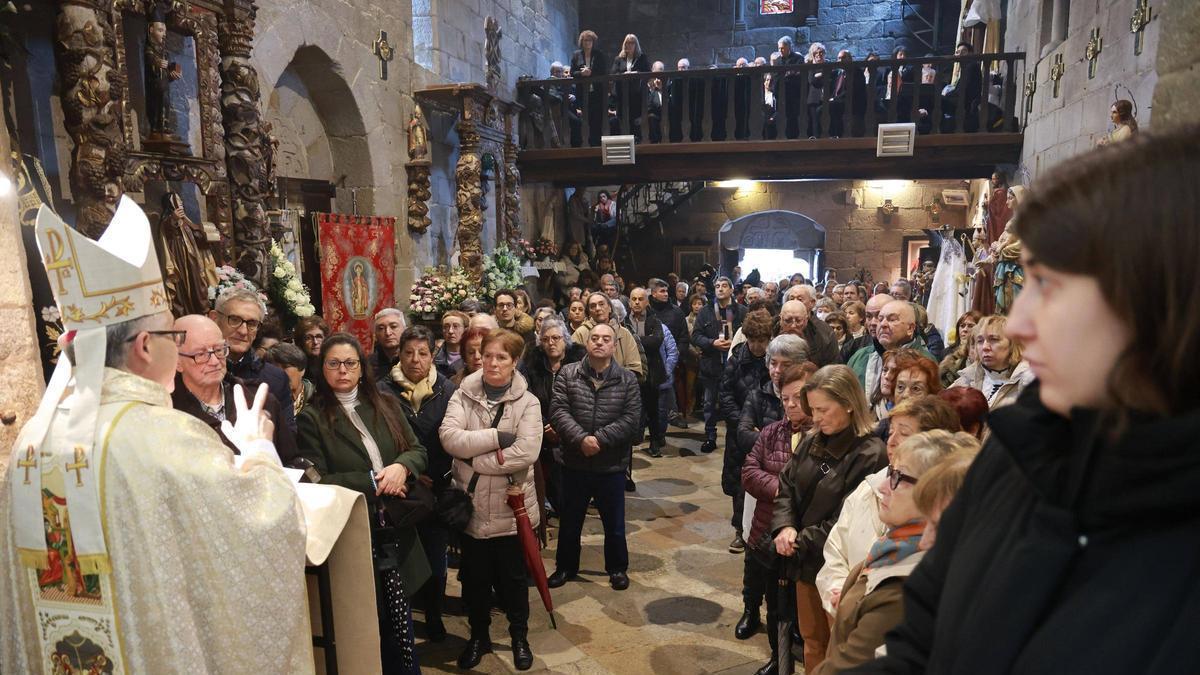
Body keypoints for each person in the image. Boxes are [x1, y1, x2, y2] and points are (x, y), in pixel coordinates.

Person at [858, 125, 1200, 673]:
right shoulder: (1021, 452)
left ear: (1159, 298)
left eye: (1049, 286)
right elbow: (921, 645)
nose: (1018, 321)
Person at [2, 199, 308, 673]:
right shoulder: (163, 436)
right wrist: (258, 451)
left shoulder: (29, 445)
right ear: (146, 346)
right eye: (173, 336)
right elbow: (261, 527)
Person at [297, 333, 429, 673]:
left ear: (361, 368)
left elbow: (417, 449)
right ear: (322, 368)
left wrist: (402, 468)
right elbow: (317, 480)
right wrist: (375, 482)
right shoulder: (311, 419)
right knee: (369, 622)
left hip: (396, 526)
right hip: (356, 532)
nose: (343, 370)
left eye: (350, 363)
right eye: (334, 363)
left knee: (401, 620)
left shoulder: (384, 402)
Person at [813, 431, 980, 673]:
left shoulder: (904, 588)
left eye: (897, 477)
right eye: (890, 471)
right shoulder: (895, 545)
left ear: (935, 495)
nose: (882, 486)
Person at [772, 364, 888, 671]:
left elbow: (848, 518)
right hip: (806, 560)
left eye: (823, 409)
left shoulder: (871, 454)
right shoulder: (813, 438)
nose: (816, 417)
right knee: (812, 642)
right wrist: (784, 526)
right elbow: (786, 482)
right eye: (814, 409)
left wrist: (800, 538)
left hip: (840, 567)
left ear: (849, 403)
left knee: (841, 649)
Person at [439, 329, 542, 671]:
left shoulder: (528, 403)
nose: (493, 363)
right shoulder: (463, 394)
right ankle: (478, 637)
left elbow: (525, 452)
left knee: (514, 582)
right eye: (488, 355)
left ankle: (519, 637)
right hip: (473, 510)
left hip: (511, 511)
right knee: (476, 581)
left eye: (502, 357)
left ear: (515, 362)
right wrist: (497, 436)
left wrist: (475, 461)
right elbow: (451, 438)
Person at [816, 394, 961, 618]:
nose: (891, 441)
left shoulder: (941, 507)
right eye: (891, 431)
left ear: (932, 445)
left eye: (904, 433)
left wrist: (864, 604)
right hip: (845, 612)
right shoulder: (871, 485)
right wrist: (840, 591)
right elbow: (836, 547)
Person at [378, 325, 458, 643]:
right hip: (401, 486)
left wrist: (433, 469)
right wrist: (408, 469)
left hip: (436, 486)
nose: (415, 360)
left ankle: (435, 612)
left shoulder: (447, 390)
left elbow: (452, 435)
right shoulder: (383, 390)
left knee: (436, 559)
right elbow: (381, 435)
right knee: (404, 557)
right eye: (408, 353)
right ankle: (404, 617)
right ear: (399, 354)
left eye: (422, 353)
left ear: (432, 355)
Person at [548, 322, 642, 592]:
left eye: (606, 339)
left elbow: (631, 420)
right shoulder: (568, 374)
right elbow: (558, 411)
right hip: (574, 462)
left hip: (610, 464)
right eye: (595, 338)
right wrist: (580, 439)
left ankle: (617, 568)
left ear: (614, 345)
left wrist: (599, 439)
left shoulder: (627, 379)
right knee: (570, 521)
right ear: (587, 343)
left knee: (613, 524)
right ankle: (566, 566)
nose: (600, 342)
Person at [740, 361, 818, 669]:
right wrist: (781, 490)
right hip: (768, 530)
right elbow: (749, 471)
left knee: (805, 610)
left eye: (797, 397)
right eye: (784, 398)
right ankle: (778, 658)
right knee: (776, 605)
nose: (789, 404)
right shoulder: (772, 432)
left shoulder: (825, 436)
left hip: (807, 538)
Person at [171, 314, 297, 464]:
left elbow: (291, 462)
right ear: (177, 361)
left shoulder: (259, 400)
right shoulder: (167, 412)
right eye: (201, 354)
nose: (214, 361)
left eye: (219, 350)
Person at [521, 316, 586, 521]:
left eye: (556, 338)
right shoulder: (532, 363)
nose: (551, 343)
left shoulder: (579, 362)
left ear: (565, 339)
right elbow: (526, 395)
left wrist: (564, 428)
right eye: (546, 339)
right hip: (540, 427)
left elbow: (583, 399)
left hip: (572, 430)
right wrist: (544, 424)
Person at [719, 309, 773, 551]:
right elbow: (726, 394)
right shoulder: (737, 360)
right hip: (739, 432)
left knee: (763, 480)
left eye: (762, 341)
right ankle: (740, 530)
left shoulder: (774, 362)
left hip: (768, 430)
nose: (757, 346)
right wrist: (741, 422)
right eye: (752, 340)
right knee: (739, 480)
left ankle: (761, 529)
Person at [211, 288, 297, 433]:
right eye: (235, 320)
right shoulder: (198, 369)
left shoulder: (275, 379)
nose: (243, 331)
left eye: (251, 323)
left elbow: (287, 439)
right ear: (214, 319)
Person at [693, 277, 748, 454]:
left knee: (736, 402)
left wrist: (736, 344)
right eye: (717, 286)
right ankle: (710, 437)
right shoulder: (706, 311)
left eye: (724, 286)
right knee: (709, 403)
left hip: (736, 364)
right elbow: (695, 336)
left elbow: (750, 334)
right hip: (712, 363)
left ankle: (738, 436)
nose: (720, 289)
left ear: (732, 290)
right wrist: (712, 342)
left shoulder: (742, 311)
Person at [737, 334, 810, 461]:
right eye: (773, 363)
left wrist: (762, 436)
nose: (777, 370)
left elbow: (812, 440)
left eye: (786, 365)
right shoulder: (756, 395)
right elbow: (743, 436)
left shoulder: (810, 396)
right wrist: (786, 443)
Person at [950, 314, 1033, 410]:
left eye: (994, 339)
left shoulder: (1029, 381)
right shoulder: (967, 378)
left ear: (1012, 344)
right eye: (980, 341)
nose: (985, 347)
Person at [848, 299, 931, 395]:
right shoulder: (859, 357)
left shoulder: (926, 362)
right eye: (881, 319)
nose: (883, 324)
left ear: (910, 328)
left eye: (892, 319)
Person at [627, 286, 668, 458]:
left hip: (651, 372)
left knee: (653, 410)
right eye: (634, 299)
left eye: (640, 299)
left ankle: (655, 442)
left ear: (647, 302)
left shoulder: (654, 320)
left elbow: (656, 341)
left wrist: (633, 341)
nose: (637, 302)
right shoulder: (624, 321)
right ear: (630, 301)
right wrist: (644, 341)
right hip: (631, 372)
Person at [571, 292, 643, 379]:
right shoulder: (581, 333)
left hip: (620, 387)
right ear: (589, 312)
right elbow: (573, 368)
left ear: (609, 308)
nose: (597, 308)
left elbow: (635, 367)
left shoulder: (624, 333)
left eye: (601, 304)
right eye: (593, 306)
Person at [570, 29, 609, 147]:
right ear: (582, 42)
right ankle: (586, 143)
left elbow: (603, 71)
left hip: (597, 92)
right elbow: (572, 72)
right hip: (583, 92)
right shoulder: (577, 55)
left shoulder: (599, 55)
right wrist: (582, 74)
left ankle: (596, 143)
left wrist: (590, 73)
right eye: (585, 40)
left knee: (597, 119)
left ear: (593, 42)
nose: (587, 43)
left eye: (590, 40)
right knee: (585, 118)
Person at [609, 33, 651, 140]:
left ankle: (637, 141)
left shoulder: (642, 58)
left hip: (637, 93)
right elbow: (613, 74)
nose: (629, 45)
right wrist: (624, 75)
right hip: (622, 94)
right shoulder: (619, 59)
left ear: (636, 45)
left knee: (635, 120)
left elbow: (648, 73)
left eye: (632, 43)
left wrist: (637, 73)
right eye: (627, 43)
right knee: (622, 119)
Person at [778, 299, 841, 366]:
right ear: (781, 319)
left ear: (806, 320)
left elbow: (831, 367)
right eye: (788, 320)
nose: (793, 326)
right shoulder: (771, 332)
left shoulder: (824, 335)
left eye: (798, 321)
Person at [265, 341, 315, 415]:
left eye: (285, 367)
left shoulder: (318, 399)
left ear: (302, 370)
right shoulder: (263, 401)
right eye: (274, 368)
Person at [938, 310, 981, 387]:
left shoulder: (982, 353)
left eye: (970, 326)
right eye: (962, 326)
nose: (965, 329)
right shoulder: (946, 352)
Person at [368, 307, 407, 380]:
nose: (388, 333)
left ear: (405, 330)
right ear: (375, 334)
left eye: (393, 327)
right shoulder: (368, 365)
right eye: (381, 328)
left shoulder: (412, 360)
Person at [434, 309, 468, 379]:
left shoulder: (472, 355)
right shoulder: (434, 355)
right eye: (446, 327)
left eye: (455, 326)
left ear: (465, 329)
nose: (450, 331)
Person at [806, 42, 829, 138]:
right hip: (814, 98)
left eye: (821, 53)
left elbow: (830, 77)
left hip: (827, 96)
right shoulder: (811, 67)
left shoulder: (827, 65)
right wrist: (822, 74)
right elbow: (812, 80)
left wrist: (819, 75)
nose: (819, 55)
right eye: (816, 53)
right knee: (815, 120)